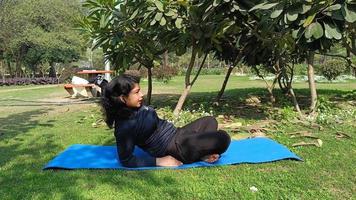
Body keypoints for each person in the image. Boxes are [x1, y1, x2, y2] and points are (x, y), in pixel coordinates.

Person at [101, 73, 231, 168]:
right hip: (176, 148)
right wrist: (159, 161)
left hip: (178, 134)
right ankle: (198, 152)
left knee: (210, 121)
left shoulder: (136, 106)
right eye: (137, 92)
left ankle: (201, 153)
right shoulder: (124, 126)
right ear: (123, 99)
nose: (141, 95)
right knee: (224, 138)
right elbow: (126, 160)